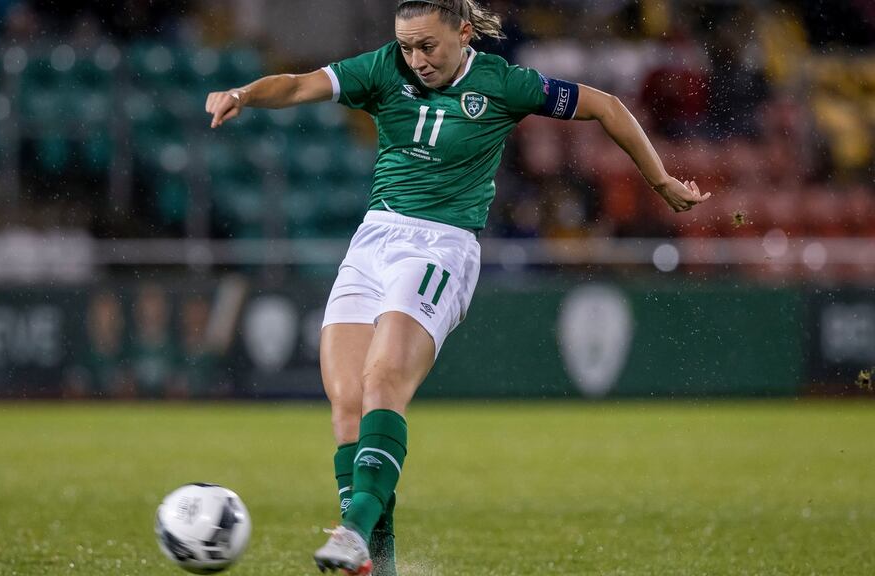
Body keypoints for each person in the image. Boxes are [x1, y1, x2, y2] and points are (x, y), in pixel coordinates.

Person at [205, 1, 711, 573]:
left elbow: (607, 106)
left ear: (464, 33)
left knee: (383, 380)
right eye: (407, 47)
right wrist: (244, 95)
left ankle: (351, 532)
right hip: (373, 241)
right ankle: (379, 562)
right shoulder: (381, 69)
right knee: (347, 403)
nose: (416, 59)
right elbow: (298, 86)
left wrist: (660, 178)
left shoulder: (503, 82)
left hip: (441, 247)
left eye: (428, 46)